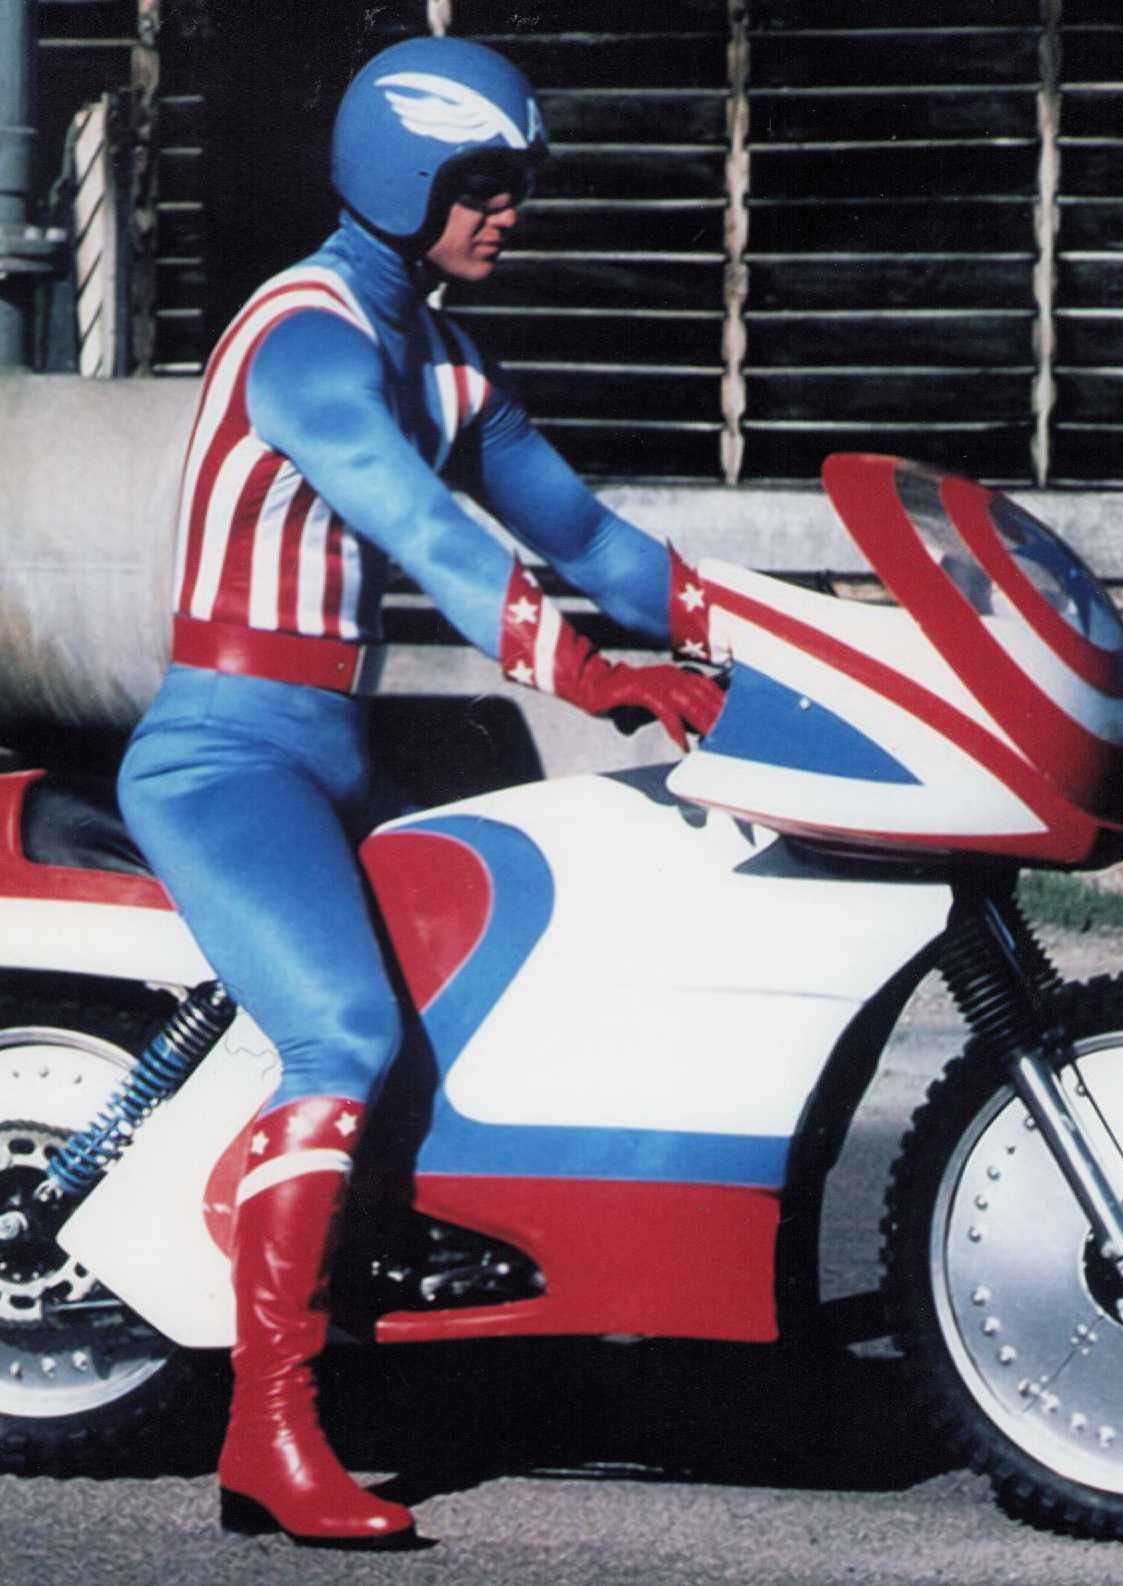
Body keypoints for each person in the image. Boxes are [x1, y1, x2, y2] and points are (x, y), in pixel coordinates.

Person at [117, 35, 723, 1549]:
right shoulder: (307, 339)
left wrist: (776, 638)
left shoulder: (444, 360)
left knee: (492, 1010)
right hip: (225, 758)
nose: (509, 210)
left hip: (337, 755)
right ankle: (268, 1431)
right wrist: (587, 674)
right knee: (346, 1035)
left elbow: (589, 539)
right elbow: (432, 533)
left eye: (519, 184)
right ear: (401, 178)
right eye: (481, 183)